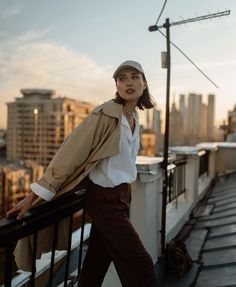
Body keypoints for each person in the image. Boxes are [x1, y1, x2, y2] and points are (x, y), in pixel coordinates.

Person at [7, 60, 156, 287]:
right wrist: (32, 196)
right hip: (104, 199)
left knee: (98, 261)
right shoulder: (105, 115)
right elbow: (69, 154)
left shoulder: (134, 119)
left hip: (122, 196)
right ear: (116, 86)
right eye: (122, 78)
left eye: (135, 77)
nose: (128, 82)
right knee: (141, 264)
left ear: (144, 84)